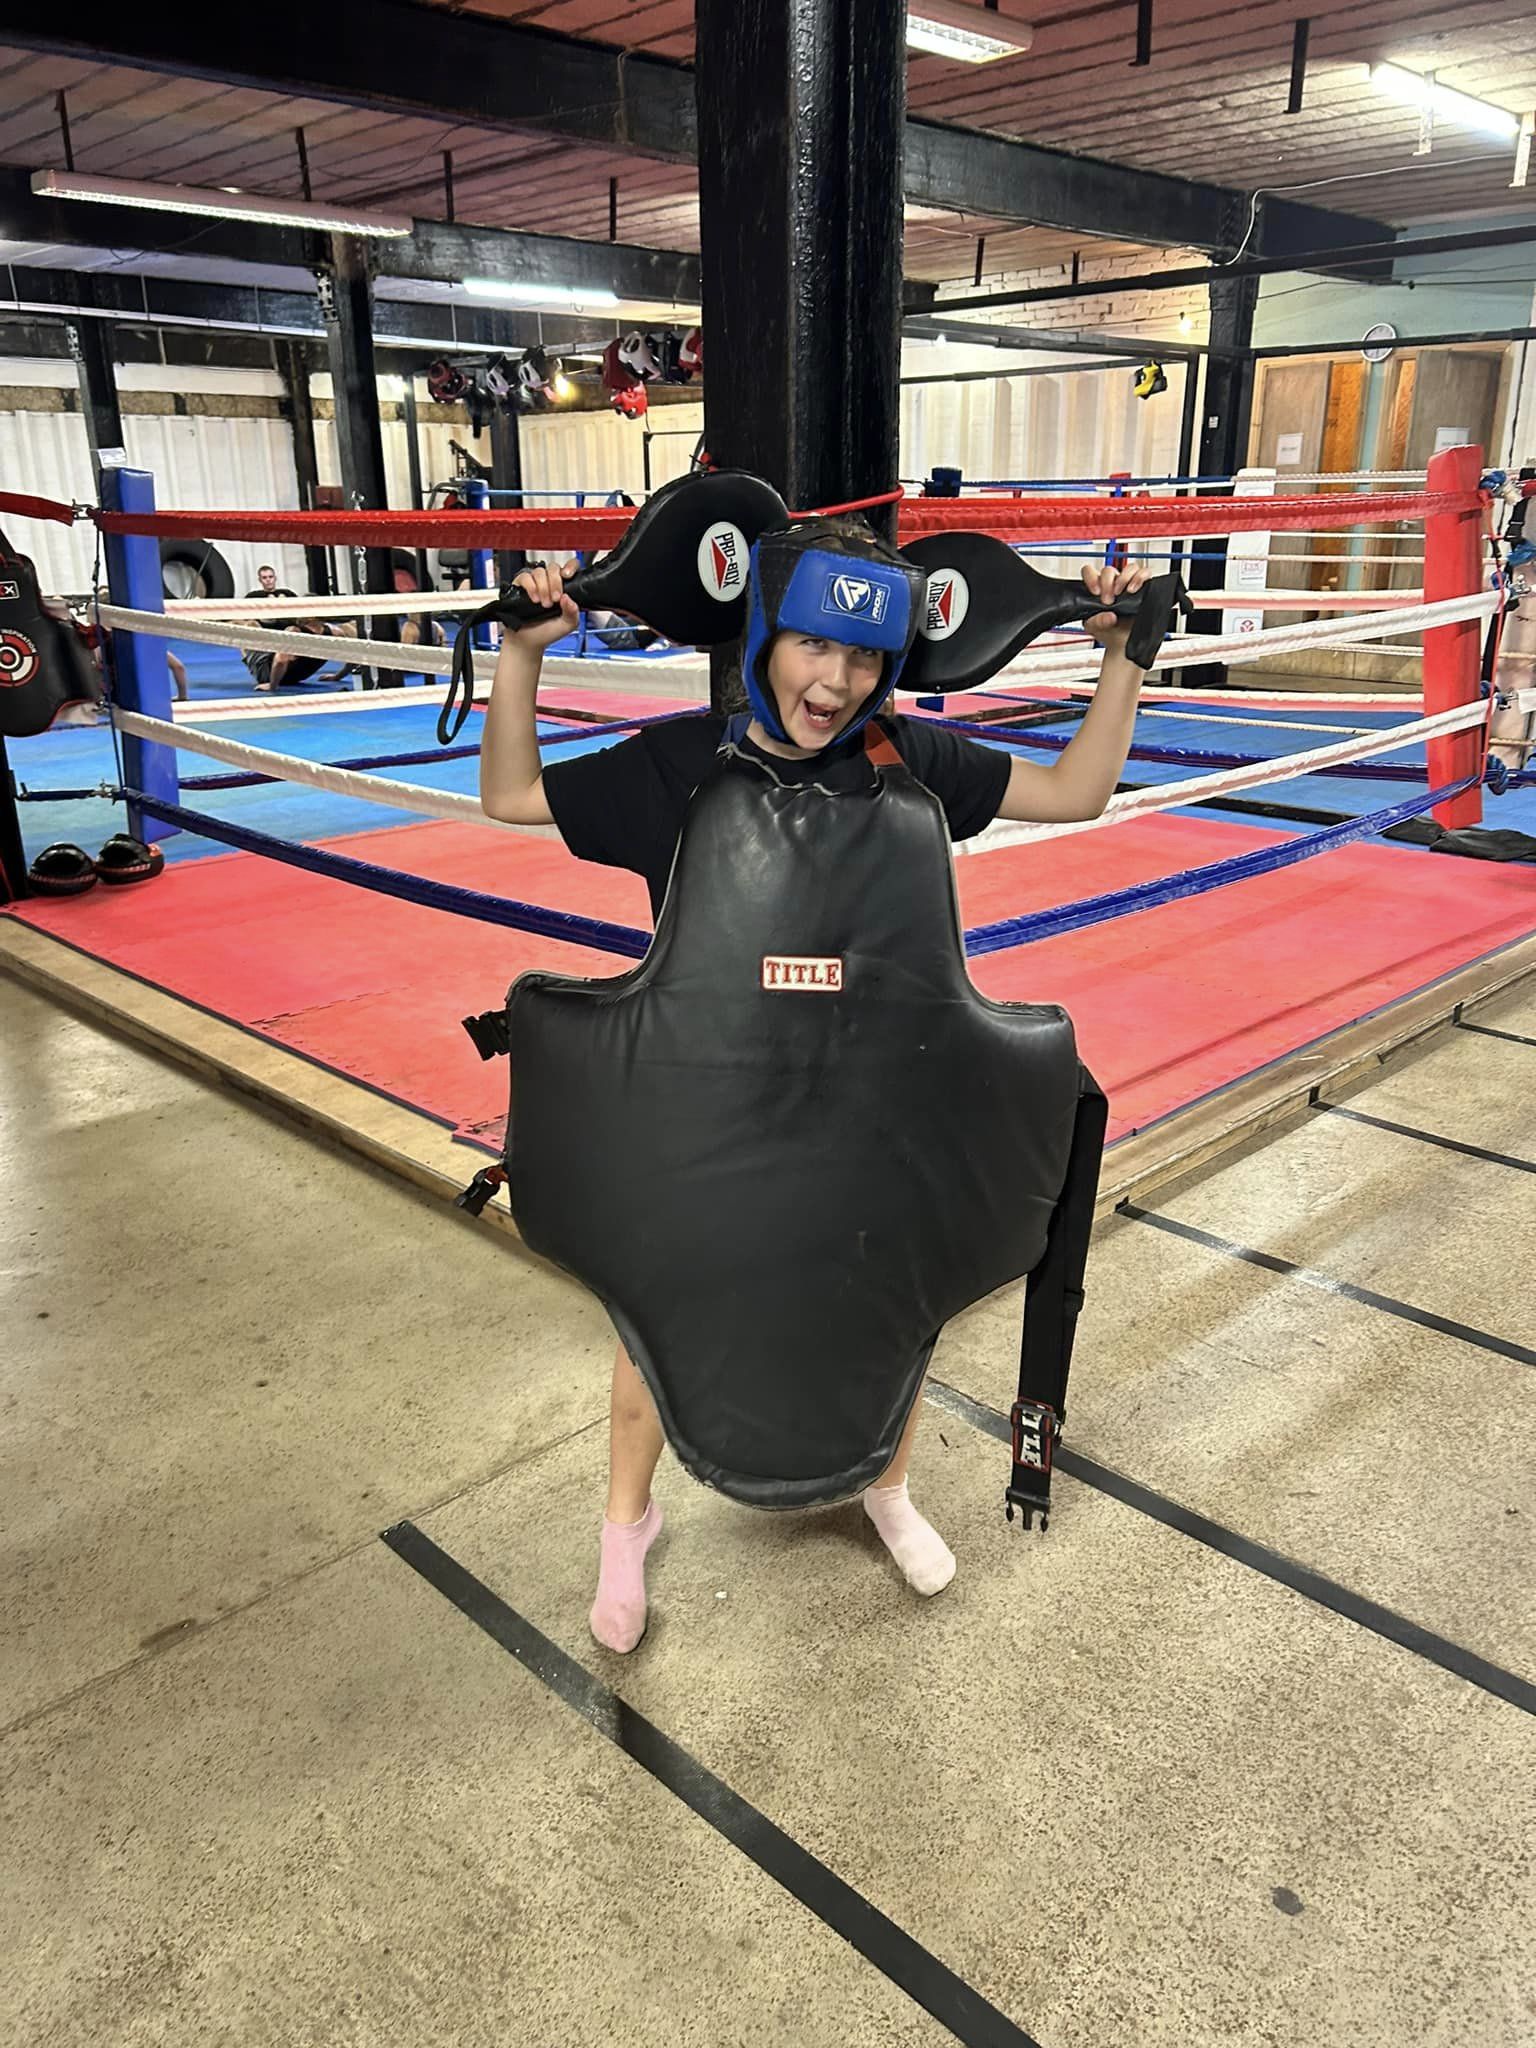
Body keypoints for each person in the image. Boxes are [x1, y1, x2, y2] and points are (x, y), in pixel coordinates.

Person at [478, 514, 1149, 1653]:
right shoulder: (680, 768)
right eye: (812, 646)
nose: (836, 683)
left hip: (872, 1111)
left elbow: (1077, 790)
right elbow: (509, 793)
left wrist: (1125, 656)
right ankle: (625, 1524)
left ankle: (886, 1487)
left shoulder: (911, 763)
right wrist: (522, 653)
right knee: (654, 1328)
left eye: (866, 657)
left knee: (893, 1307)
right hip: (712, 1113)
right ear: (763, 638)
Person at [239, 565, 357, 693]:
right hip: (296, 676)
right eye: (264, 577)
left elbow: (280, 661)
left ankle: (250, 659)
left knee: (245, 633)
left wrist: (272, 686)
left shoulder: (294, 632)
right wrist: (338, 677)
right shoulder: (335, 632)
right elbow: (354, 657)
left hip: (269, 675)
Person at [90, 586, 188, 702]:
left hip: (118, 699)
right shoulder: (142, 638)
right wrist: (182, 697)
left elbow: (93, 672)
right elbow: (178, 667)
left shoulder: (100, 643)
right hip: (150, 699)